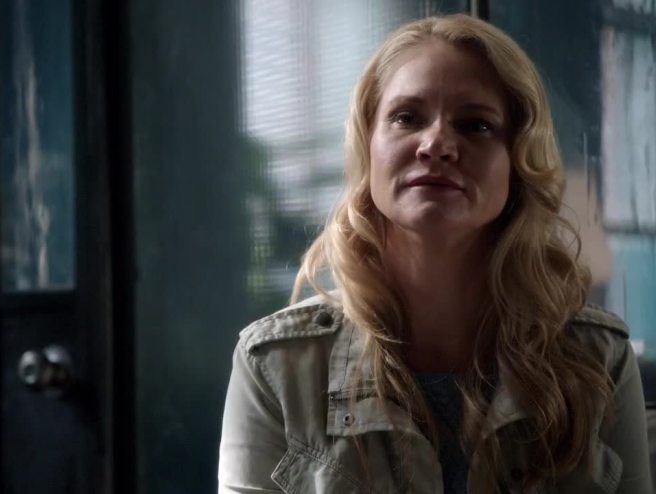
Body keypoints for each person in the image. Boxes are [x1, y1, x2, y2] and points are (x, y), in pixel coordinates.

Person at [218, 13, 652, 494]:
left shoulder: (598, 359)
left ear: (517, 163)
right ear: (368, 145)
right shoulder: (276, 366)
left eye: (475, 125)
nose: (437, 143)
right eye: (406, 118)